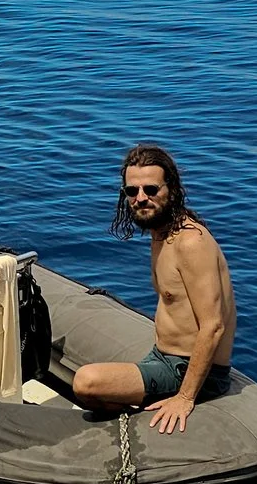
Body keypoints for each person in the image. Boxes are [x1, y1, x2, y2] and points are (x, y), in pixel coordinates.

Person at [72, 144, 237, 433]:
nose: (140, 198)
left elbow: (213, 325)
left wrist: (185, 398)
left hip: (189, 370)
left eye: (150, 189)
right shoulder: (161, 234)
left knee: (86, 382)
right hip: (163, 356)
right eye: (131, 192)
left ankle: (140, 418)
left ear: (171, 189)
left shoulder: (190, 242)